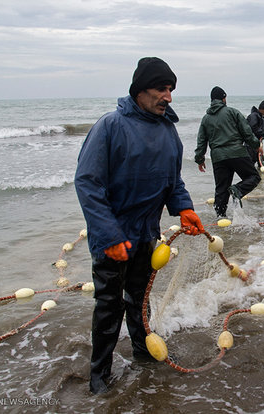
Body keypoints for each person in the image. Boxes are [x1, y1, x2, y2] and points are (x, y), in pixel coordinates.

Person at [74, 57, 205, 395]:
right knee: (108, 306)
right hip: (113, 239)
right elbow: (88, 183)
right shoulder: (110, 126)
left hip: (146, 235)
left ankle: (144, 352)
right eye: (162, 88)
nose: (169, 97)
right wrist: (108, 235)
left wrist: (184, 208)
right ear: (140, 90)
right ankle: (99, 374)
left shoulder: (168, 131)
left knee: (139, 299)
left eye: (172, 90)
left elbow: (172, 181)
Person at [194, 86, 262, 217]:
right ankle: (238, 189)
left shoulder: (206, 118)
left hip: (218, 157)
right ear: (224, 98)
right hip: (237, 153)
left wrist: (200, 159)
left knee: (221, 189)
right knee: (254, 177)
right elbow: (247, 132)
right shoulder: (233, 112)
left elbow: (201, 141)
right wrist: (256, 144)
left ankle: (221, 218)